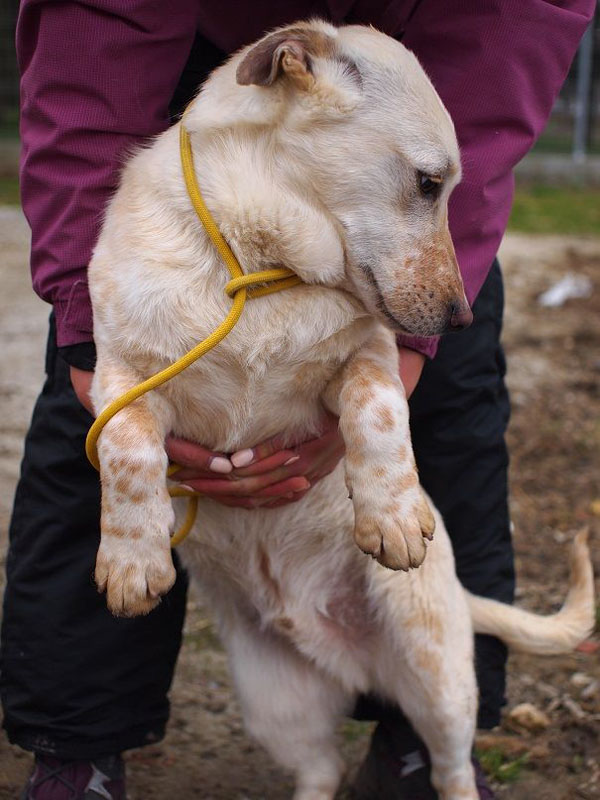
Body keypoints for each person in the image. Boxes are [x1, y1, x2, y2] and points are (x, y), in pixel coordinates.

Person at [2, 2, 594, 798]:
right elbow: (96, 37)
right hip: (208, 57)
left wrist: (415, 354)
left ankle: (423, 751)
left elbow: (498, 70)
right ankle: (77, 745)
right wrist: (84, 321)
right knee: (103, 415)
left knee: (450, 377)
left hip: (432, 63)